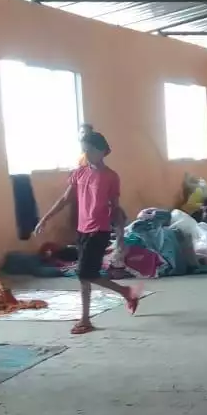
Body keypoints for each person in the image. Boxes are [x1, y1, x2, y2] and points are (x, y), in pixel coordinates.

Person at [35, 129, 141, 334]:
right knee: (85, 276)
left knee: (84, 273)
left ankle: (120, 295)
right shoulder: (79, 173)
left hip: (99, 230)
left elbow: (116, 208)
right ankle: (91, 316)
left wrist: (120, 236)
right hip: (82, 230)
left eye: (91, 151)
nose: (88, 155)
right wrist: (45, 218)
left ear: (103, 151)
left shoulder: (111, 177)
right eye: (85, 151)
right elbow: (65, 199)